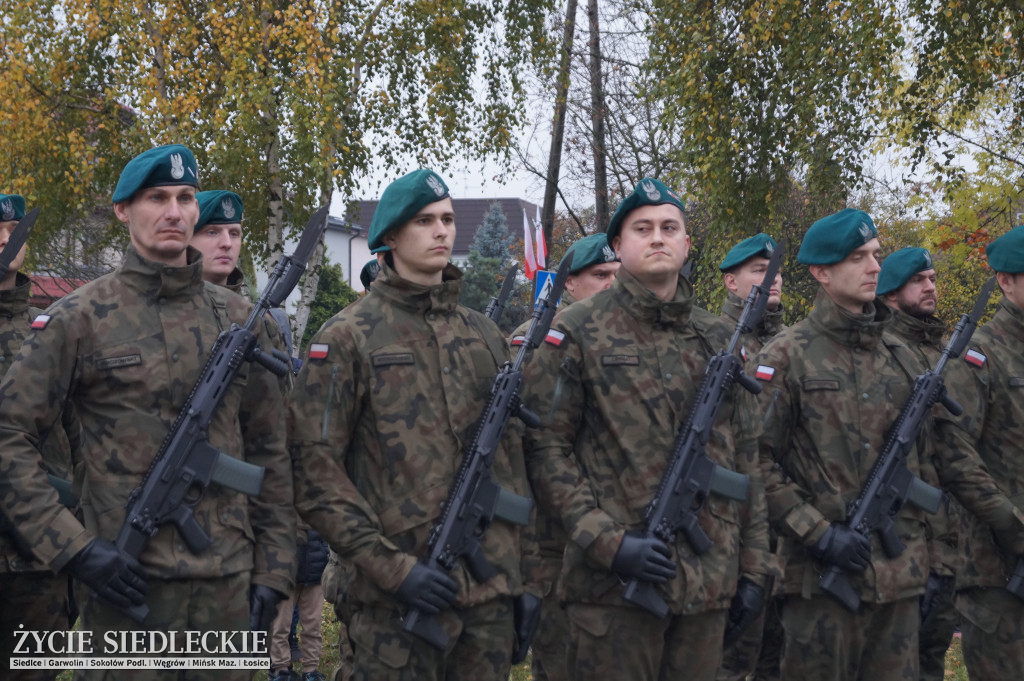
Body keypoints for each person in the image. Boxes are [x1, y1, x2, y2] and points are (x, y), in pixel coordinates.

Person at [0, 145, 296, 680]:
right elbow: (9, 437)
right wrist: (74, 549)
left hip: (226, 589)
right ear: (122, 210)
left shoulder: (238, 319)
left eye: (185, 198)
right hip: (124, 588)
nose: (174, 211)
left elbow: (271, 449)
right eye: (157, 197)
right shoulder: (79, 318)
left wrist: (274, 572)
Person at [753, 209, 1024, 681]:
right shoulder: (786, 355)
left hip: (900, 581)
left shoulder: (903, 359)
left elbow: (949, 456)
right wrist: (817, 532)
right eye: (858, 257)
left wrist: (1011, 524)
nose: (875, 267)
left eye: (876, 254)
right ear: (821, 272)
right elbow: (754, 459)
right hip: (820, 583)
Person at [288, 168, 536, 681]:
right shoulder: (346, 337)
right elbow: (314, 473)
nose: (443, 230)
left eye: (446, 219)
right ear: (391, 237)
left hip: (486, 600)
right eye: (425, 221)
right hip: (393, 605)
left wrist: (526, 580)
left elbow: (514, 465)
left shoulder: (486, 335)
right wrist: (393, 569)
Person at [521, 178, 773, 681]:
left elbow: (747, 460)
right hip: (611, 590)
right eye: (642, 228)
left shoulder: (721, 338)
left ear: (686, 244)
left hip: (706, 585)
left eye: (669, 228)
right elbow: (545, 450)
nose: (657, 237)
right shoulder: (575, 332)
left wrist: (756, 565)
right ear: (618, 245)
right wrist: (606, 540)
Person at [511, 232, 618, 681]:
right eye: (600, 275)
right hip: (551, 544)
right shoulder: (534, 342)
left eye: (618, 274)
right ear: (568, 284)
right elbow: (522, 449)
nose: (612, 284)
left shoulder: (627, 340)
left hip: (616, 534)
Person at [943, 225, 1024, 680]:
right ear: (1005, 281)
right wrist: (1016, 529)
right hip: (1000, 576)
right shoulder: (979, 357)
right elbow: (956, 456)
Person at [0, 194, 75, 680]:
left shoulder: (50, 332)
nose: (5, 240)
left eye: (10, 230)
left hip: (38, 559)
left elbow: (83, 434)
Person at [876, 247, 961, 681]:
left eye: (931, 277)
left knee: (931, 657)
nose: (930, 286)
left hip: (947, 538)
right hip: (903, 541)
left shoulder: (942, 350)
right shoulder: (885, 353)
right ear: (890, 295)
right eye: (918, 280)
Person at [715, 232, 785, 681]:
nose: (772, 280)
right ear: (731, 283)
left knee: (778, 660)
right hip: (735, 533)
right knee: (729, 661)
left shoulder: (794, 344)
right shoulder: (714, 341)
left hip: (789, 535)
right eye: (760, 270)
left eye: (776, 271)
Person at [269, 530, 330, 681]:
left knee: (313, 627)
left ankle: (311, 671)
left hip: (315, 569)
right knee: (280, 626)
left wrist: (325, 551)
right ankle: (280, 671)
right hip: (283, 572)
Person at [191, 190, 246, 293]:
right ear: (187, 239)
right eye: (212, 232)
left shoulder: (245, 308)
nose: (227, 243)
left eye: (234, 234)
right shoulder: (161, 306)